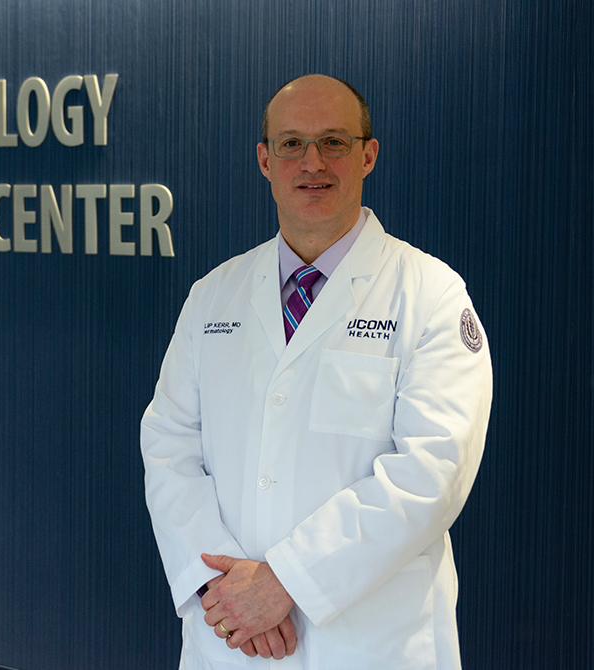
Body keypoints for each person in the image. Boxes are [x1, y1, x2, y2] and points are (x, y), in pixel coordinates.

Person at [140, 74, 492, 669]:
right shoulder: (213, 297)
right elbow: (169, 446)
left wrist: (287, 581)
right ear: (264, 160)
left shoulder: (430, 293)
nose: (312, 162)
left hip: (371, 643)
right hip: (232, 636)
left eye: (334, 141)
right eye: (291, 143)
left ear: (368, 155)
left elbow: (432, 471)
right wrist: (218, 589)